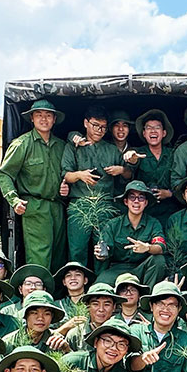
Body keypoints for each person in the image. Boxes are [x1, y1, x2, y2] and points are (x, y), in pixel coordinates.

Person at [0, 99, 68, 271]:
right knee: (39, 258)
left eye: (48, 115)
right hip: (35, 207)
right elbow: (4, 174)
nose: (44, 119)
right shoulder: (22, 144)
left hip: (58, 207)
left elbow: (68, 173)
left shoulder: (61, 146)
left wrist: (66, 185)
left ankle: (56, 290)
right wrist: (14, 200)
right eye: (39, 115)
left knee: (59, 259)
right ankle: (37, 289)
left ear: (54, 119)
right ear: (32, 119)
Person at [61, 104, 128, 265]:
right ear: (86, 123)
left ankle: (102, 281)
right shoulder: (73, 147)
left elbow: (129, 175)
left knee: (103, 251)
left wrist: (122, 170)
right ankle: (77, 281)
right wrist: (80, 175)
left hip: (105, 205)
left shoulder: (112, 150)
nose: (99, 130)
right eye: (95, 125)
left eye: (103, 127)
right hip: (79, 204)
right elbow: (66, 175)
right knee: (77, 251)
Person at [95, 181, 167, 287]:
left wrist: (147, 248)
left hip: (142, 269)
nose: (136, 201)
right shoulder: (113, 224)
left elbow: (161, 247)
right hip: (117, 269)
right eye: (132, 197)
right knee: (98, 287)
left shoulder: (153, 223)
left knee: (159, 260)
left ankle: (147, 294)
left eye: (141, 198)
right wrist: (100, 254)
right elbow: (105, 251)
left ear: (146, 202)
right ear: (126, 201)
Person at [60, 317, 140, 372]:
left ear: (126, 351)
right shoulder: (71, 362)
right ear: (96, 342)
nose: (114, 348)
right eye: (108, 341)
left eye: (121, 344)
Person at [127, 109, 176, 223]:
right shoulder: (137, 153)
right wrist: (131, 160)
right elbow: (130, 168)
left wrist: (169, 193)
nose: (153, 131)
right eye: (149, 128)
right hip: (144, 212)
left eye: (157, 127)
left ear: (164, 133)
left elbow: (182, 179)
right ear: (144, 134)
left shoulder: (173, 154)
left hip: (170, 211)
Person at [65, 282, 125, 351]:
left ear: (114, 307)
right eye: (96, 304)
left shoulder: (122, 333)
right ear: (87, 306)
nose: (101, 309)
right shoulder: (75, 335)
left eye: (107, 305)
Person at [2, 290, 68, 353]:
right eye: (34, 313)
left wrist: (66, 349)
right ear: (25, 315)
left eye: (47, 314)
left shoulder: (57, 340)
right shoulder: (10, 341)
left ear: (52, 317)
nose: (40, 318)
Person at [52, 261, 95, 325]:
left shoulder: (93, 303)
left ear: (85, 280)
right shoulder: (58, 305)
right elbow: (49, 330)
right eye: (68, 275)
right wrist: (67, 326)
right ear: (64, 282)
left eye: (78, 274)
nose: (73, 278)